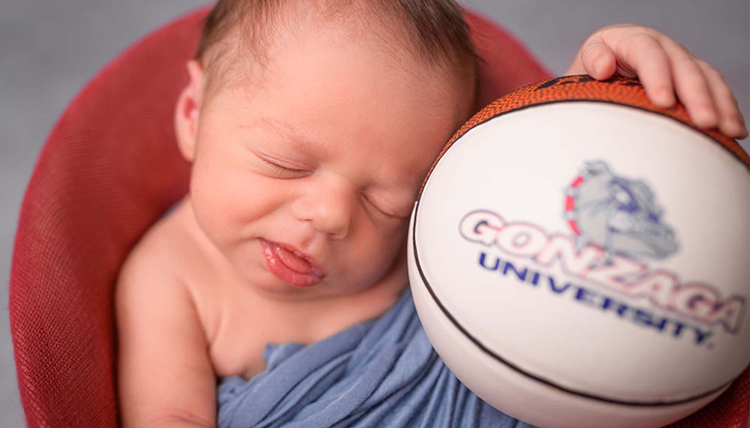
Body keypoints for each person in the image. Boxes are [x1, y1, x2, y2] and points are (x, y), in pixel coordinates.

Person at [114, 1, 748, 427]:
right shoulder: (172, 277)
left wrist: (604, 92)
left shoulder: (437, 228)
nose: (331, 214)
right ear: (194, 116)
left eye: (389, 201)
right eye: (286, 163)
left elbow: (537, 190)